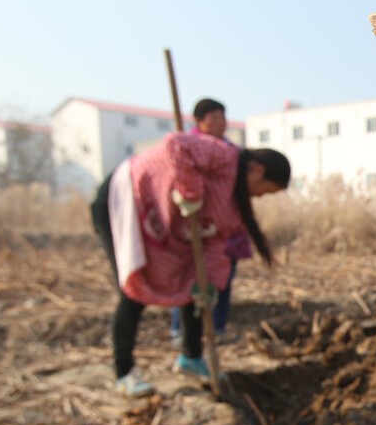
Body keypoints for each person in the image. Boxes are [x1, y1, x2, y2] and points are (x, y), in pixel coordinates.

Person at [90, 131, 289, 396]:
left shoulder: (234, 206)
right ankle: (124, 373)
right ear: (258, 170)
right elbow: (177, 144)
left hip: (166, 224)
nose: (261, 197)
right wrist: (190, 193)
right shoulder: (223, 156)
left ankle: (191, 358)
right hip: (126, 198)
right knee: (132, 289)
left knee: (195, 282)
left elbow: (216, 247)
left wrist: (213, 285)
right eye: (266, 190)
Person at [170, 98, 247, 344]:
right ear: (200, 121)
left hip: (225, 226)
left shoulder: (231, 151)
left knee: (223, 277)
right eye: (214, 118)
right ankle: (180, 331)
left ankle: (217, 329)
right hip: (197, 227)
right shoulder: (189, 148)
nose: (220, 124)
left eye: (222, 118)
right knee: (189, 281)